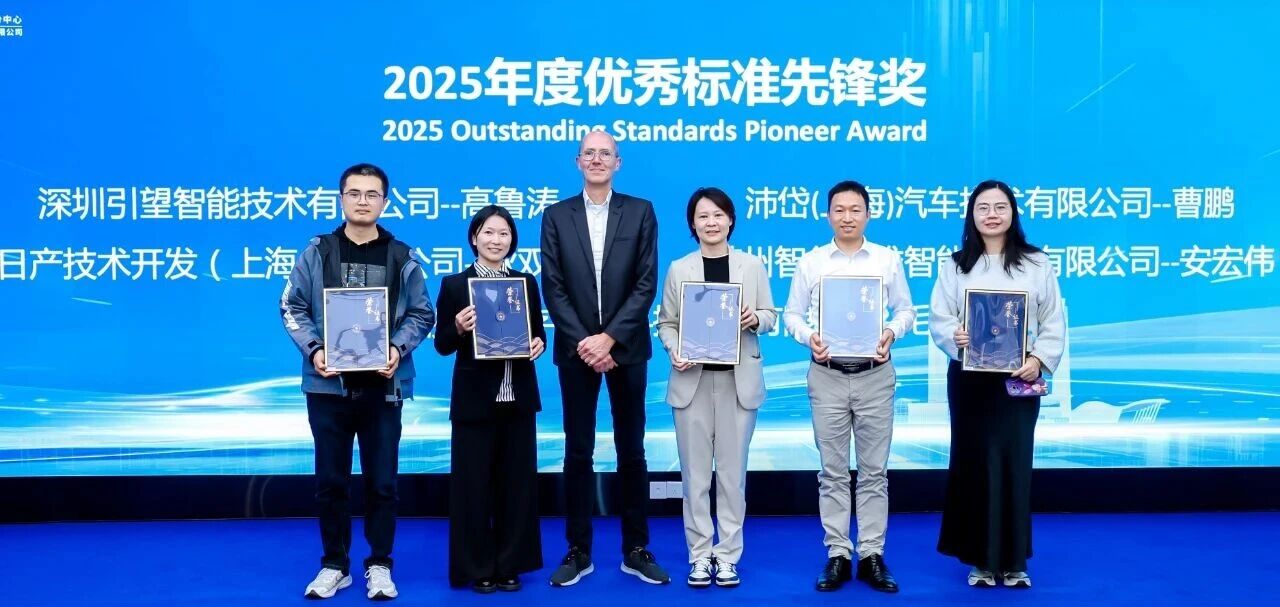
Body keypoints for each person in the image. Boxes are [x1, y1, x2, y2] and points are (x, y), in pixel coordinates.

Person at [281, 163, 436, 600]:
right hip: (327, 388)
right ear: (342, 199)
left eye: (372, 194)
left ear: (384, 202)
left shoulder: (402, 256)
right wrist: (315, 349)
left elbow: (423, 313)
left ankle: (380, 564)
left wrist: (397, 349)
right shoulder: (318, 252)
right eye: (354, 193)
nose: (363, 201)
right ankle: (335, 564)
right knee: (330, 482)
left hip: (383, 388)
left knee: (382, 483)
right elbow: (291, 306)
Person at [540, 130, 669, 586]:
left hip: (626, 349)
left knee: (632, 450)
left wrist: (610, 338)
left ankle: (636, 548)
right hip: (576, 351)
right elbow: (553, 286)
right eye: (589, 153)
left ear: (618, 162)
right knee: (578, 450)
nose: (597, 159)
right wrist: (588, 343)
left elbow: (646, 282)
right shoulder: (557, 215)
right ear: (578, 162)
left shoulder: (640, 211)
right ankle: (578, 550)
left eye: (605, 153)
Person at [929, 179, 1065, 589]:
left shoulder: (1036, 263)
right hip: (970, 381)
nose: (992, 214)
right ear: (971, 215)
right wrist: (955, 335)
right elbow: (939, 318)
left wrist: (1038, 360)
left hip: (1018, 381)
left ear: (1012, 213)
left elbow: (1053, 319)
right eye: (983, 207)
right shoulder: (955, 265)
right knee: (974, 465)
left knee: (1013, 465)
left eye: (1000, 207)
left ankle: (1013, 560)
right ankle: (982, 560)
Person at [782, 180, 915, 593]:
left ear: (868, 214)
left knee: (874, 472)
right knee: (833, 472)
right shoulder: (812, 262)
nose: (847, 217)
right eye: (839, 210)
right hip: (828, 375)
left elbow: (906, 310)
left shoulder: (887, 260)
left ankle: (872, 554)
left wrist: (891, 331)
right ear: (827, 215)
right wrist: (809, 337)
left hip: (875, 375)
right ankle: (838, 553)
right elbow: (791, 315)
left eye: (855, 210)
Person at [656, 187, 776, 587]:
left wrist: (754, 319)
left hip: (737, 383)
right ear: (693, 224)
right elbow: (667, 323)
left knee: (731, 476)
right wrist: (674, 348)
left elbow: (770, 315)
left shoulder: (751, 265)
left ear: (730, 220)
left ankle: (727, 556)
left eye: (718, 215)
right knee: (695, 478)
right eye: (703, 216)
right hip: (692, 382)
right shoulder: (680, 268)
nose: (711, 222)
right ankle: (699, 554)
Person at [434, 205, 546, 593]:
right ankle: (478, 566)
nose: (496, 240)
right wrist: (457, 327)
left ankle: (510, 563)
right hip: (474, 403)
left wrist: (539, 343)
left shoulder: (525, 283)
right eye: (488, 232)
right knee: (473, 488)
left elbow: (537, 333)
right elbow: (442, 345)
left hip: (518, 399)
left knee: (517, 486)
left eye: (504, 234)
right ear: (474, 238)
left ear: (512, 240)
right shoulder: (455, 285)